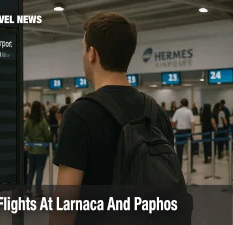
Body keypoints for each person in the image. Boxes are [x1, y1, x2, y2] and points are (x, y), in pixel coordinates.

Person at [50, 13, 174, 225]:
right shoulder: (155, 111)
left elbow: (64, 209)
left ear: (92, 54)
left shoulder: (79, 114)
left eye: (83, 48)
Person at [24, 101, 51, 198]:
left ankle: (28, 189)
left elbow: (23, 132)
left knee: (31, 170)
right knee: (39, 170)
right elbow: (48, 135)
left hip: (31, 150)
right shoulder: (43, 122)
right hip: (42, 150)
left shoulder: (28, 121)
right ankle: (38, 191)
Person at [172, 98, 196, 172]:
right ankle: (191, 168)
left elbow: (173, 122)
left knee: (179, 151)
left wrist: (174, 128)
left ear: (181, 104)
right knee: (190, 151)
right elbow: (192, 123)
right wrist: (192, 133)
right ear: (187, 103)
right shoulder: (189, 111)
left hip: (179, 132)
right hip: (187, 132)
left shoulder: (177, 111)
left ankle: (179, 168)